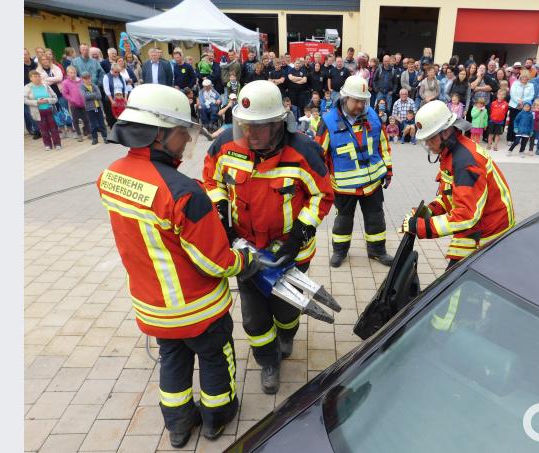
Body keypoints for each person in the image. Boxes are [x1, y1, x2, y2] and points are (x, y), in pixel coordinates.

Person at [100, 84, 258, 447]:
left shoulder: (110, 177)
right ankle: (218, 417)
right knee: (216, 361)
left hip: (153, 307)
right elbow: (216, 262)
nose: (186, 142)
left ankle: (178, 426)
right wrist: (245, 260)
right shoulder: (184, 192)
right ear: (157, 134)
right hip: (198, 308)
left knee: (172, 360)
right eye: (180, 134)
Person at [203, 80, 334, 395]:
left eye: (259, 127)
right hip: (245, 251)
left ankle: (286, 334)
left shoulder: (304, 152)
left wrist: (299, 235)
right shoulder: (224, 146)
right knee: (253, 315)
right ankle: (268, 360)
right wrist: (222, 216)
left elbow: (322, 195)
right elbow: (211, 180)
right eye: (245, 125)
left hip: (291, 253)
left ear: (279, 123)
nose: (250, 134)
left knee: (287, 309)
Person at [404, 100, 514, 270]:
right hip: (479, 224)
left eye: (430, 138)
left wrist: (422, 226)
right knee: (453, 281)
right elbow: (450, 195)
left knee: (460, 289)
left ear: (446, 132)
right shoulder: (452, 152)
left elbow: (466, 216)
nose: (427, 144)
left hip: (489, 233)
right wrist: (429, 211)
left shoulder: (464, 161)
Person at [315, 75, 395, 268]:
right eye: (357, 100)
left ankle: (377, 250)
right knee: (343, 220)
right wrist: (323, 184)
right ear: (345, 98)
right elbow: (318, 156)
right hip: (344, 187)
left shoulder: (373, 117)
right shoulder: (328, 122)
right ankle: (340, 252)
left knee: (376, 218)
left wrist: (388, 170)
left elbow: (383, 145)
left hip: (372, 183)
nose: (361, 105)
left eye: (364, 100)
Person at [24, 70, 61, 151]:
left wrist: (47, 100)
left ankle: (57, 144)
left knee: (54, 128)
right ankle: (47, 145)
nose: (37, 78)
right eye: (35, 77)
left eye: (38, 76)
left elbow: (55, 97)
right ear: (30, 78)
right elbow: (25, 100)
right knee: (43, 129)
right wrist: (37, 102)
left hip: (49, 110)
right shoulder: (27, 87)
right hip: (38, 112)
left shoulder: (46, 85)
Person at [60, 65, 89, 141]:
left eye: (74, 72)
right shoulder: (65, 82)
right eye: (71, 73)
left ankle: (89, 133)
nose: (73, 74)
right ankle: (79, 134)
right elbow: (65, 94)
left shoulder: (81, 81)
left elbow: (85, 89)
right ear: (67, 74)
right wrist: (72, 99)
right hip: (73, 105)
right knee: (75, 120)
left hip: (83, 104)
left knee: (86, 119)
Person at [507, 70, 535, 143]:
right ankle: (510, 139)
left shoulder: (531, 85)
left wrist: (523, 102)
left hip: (525, 106)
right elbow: (512, 93)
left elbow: (531, 95)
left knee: (521, 122)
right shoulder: (515, 83)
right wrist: (518, 101)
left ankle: (517, 139)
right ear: (521, 77)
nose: (524, 79)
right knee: (513, 122)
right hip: (514, 105)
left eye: (526, 77)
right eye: (523, 77)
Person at [24, 49, 41, 140]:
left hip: (38, 89)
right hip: (27, 91)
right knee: (30, 112)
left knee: (40, 110)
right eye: (23, 55)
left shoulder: (35, 65)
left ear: (29, 54)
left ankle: (43, 128)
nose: (24, 56)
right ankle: (36, 130)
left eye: (26, 54)